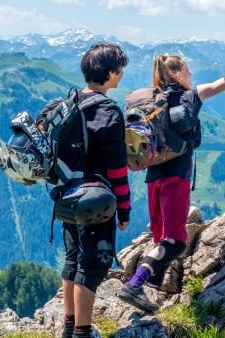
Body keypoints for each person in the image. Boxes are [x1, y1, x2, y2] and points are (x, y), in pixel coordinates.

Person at [118, 18, 225, 311]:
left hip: (152, 177)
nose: (192, 73)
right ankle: (134, 285)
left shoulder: (149, 100)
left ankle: (152, 295)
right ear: (178, 73)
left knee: (161, 240)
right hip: (176, 179)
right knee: (177, 240)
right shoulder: (191, 95)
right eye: (188, 69)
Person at [60, 42, 131, 338]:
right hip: (95, 201)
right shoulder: (109, 112)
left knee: (72, 260)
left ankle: (68, 326)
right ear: (112, 73)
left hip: (67, 196)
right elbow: (117, 170)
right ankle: (82, 333)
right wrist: (124, 210)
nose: (122, 73)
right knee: (92, 267)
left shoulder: (70, 102)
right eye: (121, 69)